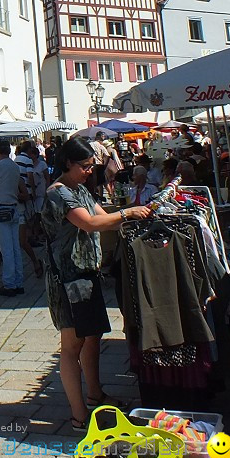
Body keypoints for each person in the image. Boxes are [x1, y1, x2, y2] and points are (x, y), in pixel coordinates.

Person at [42, 138, 152, 433]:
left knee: (92, 338)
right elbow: (89, 223)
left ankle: (95, 394)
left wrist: (136, 217)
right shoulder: (58, 193)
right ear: (68, 163)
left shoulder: (79, 190)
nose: (90, 171)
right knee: (71, 346)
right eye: (85, 166)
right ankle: (79, 418)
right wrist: (129, 213)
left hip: (85, 275)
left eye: (92, 166)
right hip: (67, 279)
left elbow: (104, 219)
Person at [0, 140, 28, 296]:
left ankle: (9, 283)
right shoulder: (14, 166)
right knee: (15, 247)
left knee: (6, 248)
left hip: (2, 207)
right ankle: (19, 281)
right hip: (14, 207)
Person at [15, 140, 49, 278]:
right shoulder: (28, 160)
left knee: (23, 236)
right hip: (26, 197)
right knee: (31, 223)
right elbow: (29, 177)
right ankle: (36, 260)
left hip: (18, 198)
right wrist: (33, 192)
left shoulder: (15, 159)